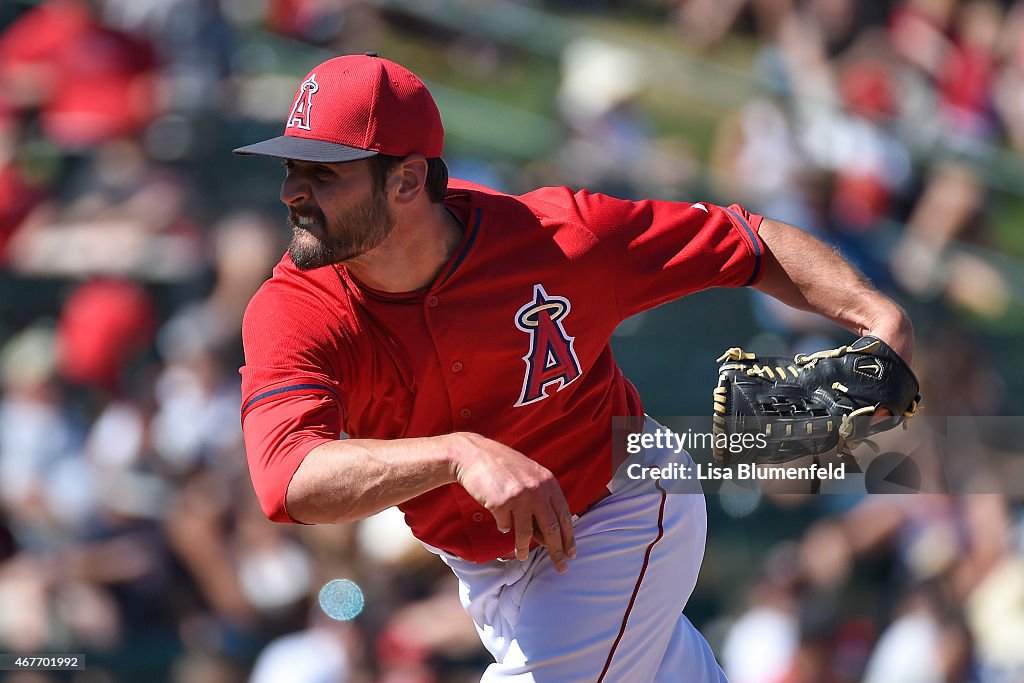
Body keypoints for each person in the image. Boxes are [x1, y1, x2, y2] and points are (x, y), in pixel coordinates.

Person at [234, 52, 914, 682]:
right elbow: (285, 478)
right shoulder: (295, 308)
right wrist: (457, 454)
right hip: (486, 574)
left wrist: (878, 319)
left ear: (408, 178)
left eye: (324, 172)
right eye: (290, 167)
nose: (293, 189)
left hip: (622, 500)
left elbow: (746, 241)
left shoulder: (559, 239)